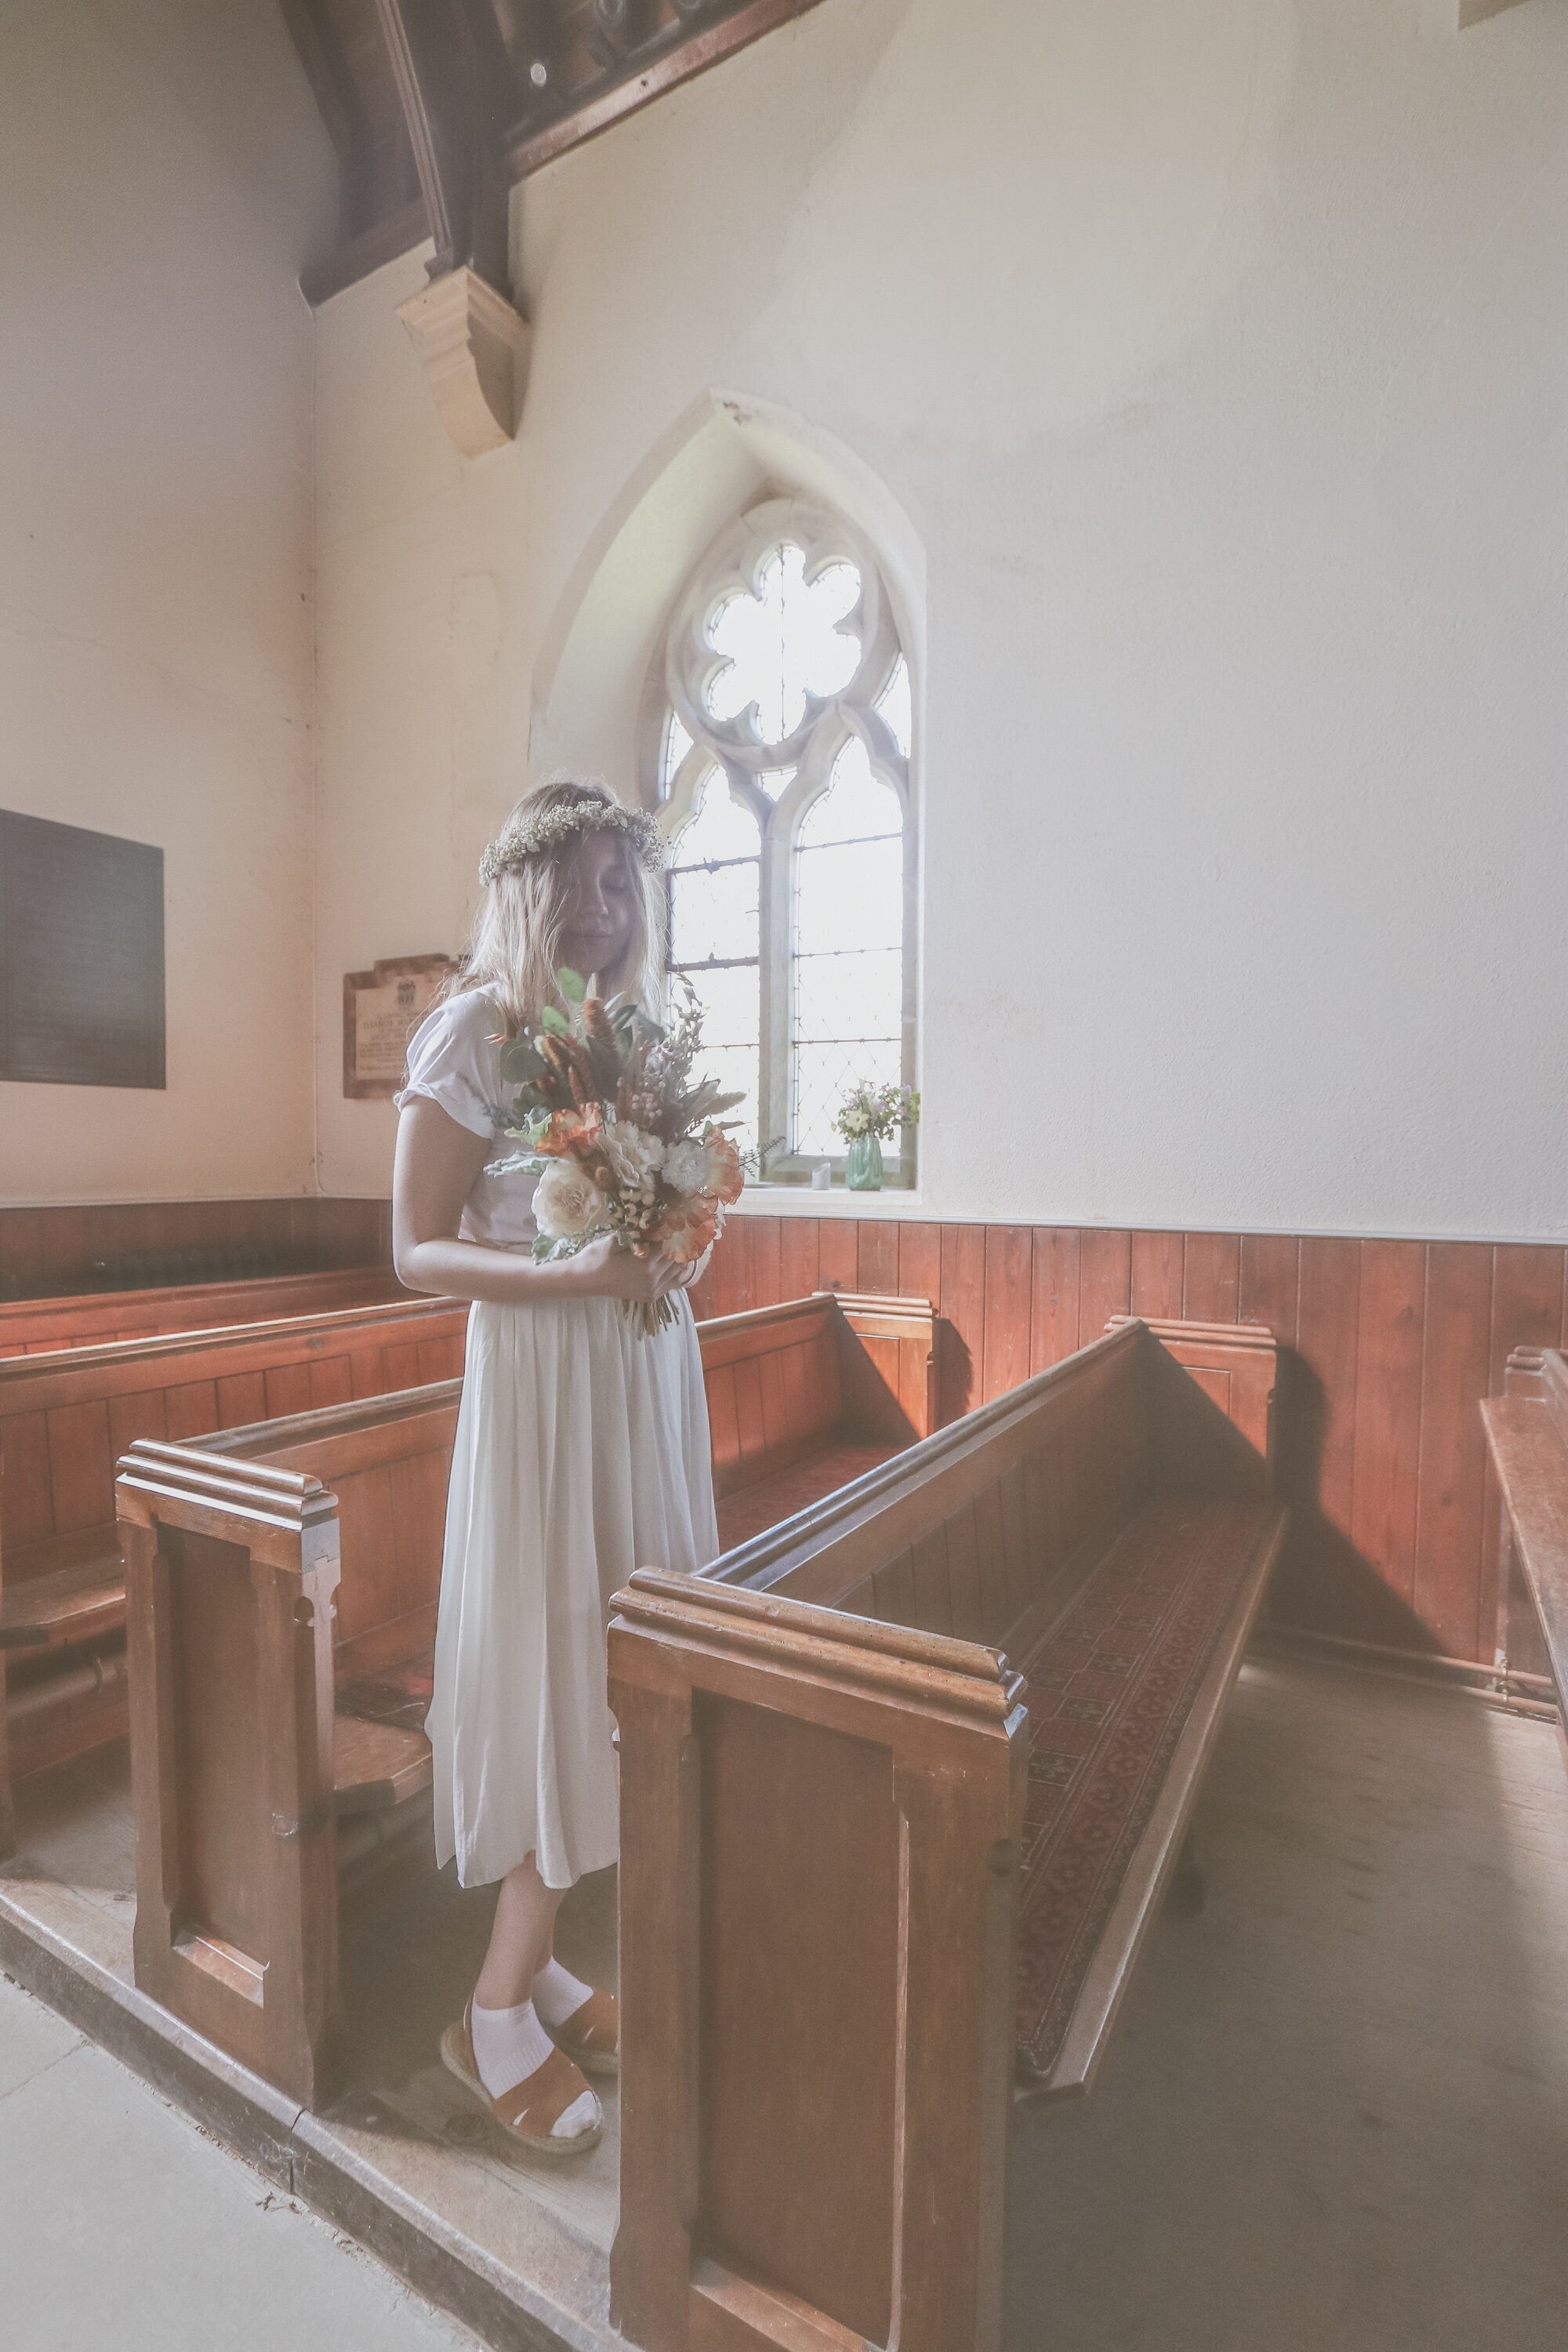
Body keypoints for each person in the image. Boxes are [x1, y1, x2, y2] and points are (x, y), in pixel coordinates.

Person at [391, 779, 719, 2157]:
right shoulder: (479, 1027)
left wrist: (677, 1234)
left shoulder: (626, 1032)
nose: (604, 907)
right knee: (559, 1669)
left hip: (637, 1372)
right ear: (528, 890)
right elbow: (414, 1249)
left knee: (629, 1669)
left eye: (623, 883)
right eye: (580, 880)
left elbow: (659, 1202)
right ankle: (493, 2009)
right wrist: (571, 1265)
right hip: (542, 1383)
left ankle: (556, 1966)